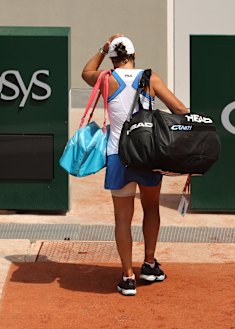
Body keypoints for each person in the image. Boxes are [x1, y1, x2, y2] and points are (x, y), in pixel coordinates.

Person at [82, 34, 189, 296]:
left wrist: (102, 48)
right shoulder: (150, 78)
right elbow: (180, 109)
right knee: (151, 208)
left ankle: (127, 277)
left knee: (122, 218)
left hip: (118, 156)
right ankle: (149, 265)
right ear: (134, 55)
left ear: (113, 58)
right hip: (147, 155)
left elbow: (86, 72)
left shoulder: (106, 79)